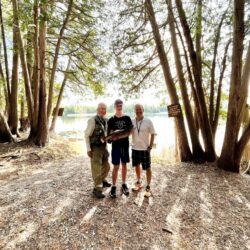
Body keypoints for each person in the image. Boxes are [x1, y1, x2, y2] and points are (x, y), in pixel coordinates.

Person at [85, 103, 111, 199]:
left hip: (104, 148)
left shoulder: (105, 120)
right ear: (97, 109)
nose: (103, 110)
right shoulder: (92, 120)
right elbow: (86, 135)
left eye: (104, 109)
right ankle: (97, 189)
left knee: (107, 166)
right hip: (95, 148)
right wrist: (88, 149)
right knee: (96, 168)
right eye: (101, 108)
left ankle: (102, 180)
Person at [108, 99, 133, 198]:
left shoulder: (127, 118)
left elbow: (130, 131)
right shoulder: (111, 120)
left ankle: (123, 184)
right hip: (115, 147)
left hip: (125, 145)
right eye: (118, 105)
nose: (119, 106)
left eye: (121, 105)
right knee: (116, 166)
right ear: (114, 106)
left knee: (124, 165)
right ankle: (113, 186)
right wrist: (111, 139)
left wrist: (123, 135)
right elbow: (109, 135)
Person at [131, 104, 156, 196]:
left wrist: (150, 146)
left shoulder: (148, 121)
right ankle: (138, 182)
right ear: (135, 111)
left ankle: (148, 186)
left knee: (147, 168)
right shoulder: (132, 121)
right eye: (137, 109)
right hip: (134, 148)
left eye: (140, 109)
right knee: (137, 166)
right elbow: (127, 133)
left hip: (145, 149)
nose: (138, 111)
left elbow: (153, 134)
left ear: (143, 110)